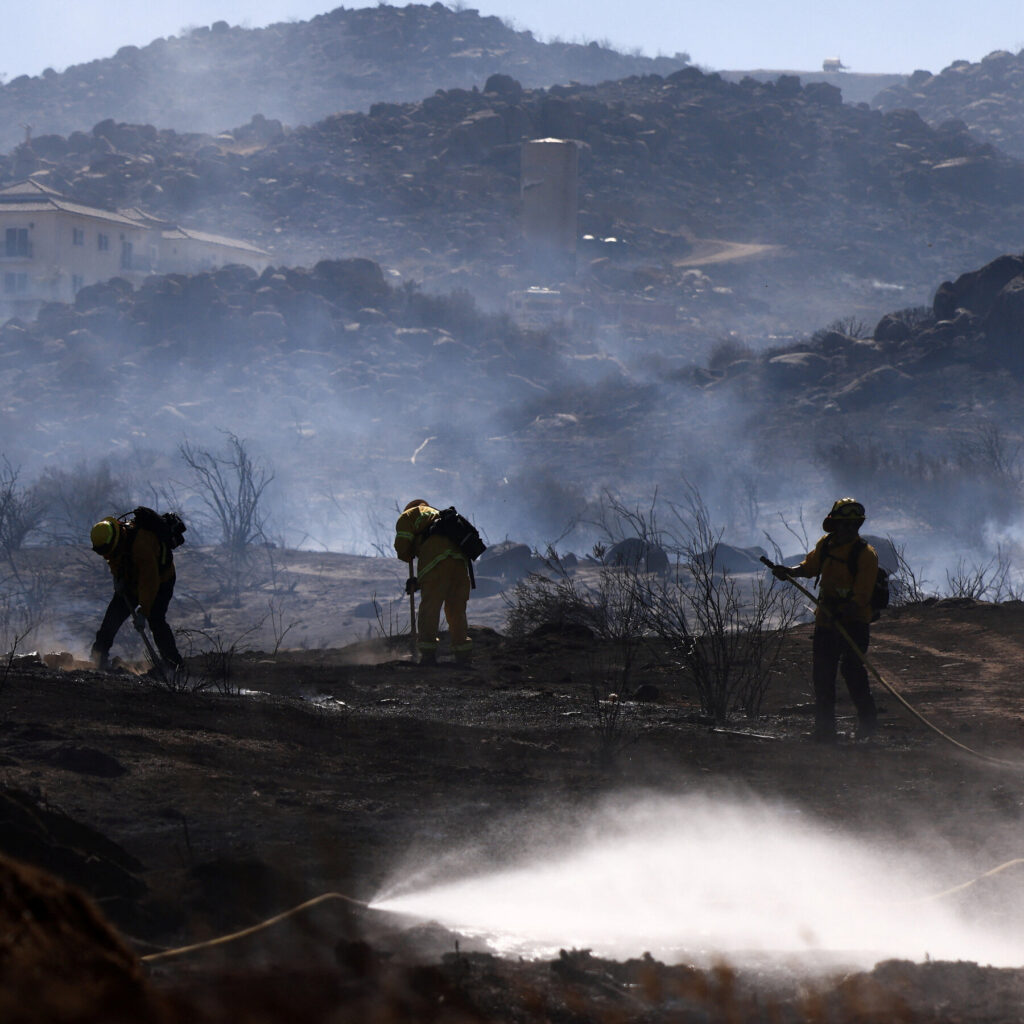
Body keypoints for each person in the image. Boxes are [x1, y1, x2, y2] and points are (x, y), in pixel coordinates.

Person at [772, 498, 879, 742]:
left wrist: (842, 613)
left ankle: (868, 727)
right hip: (826, 623)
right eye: (845, 524)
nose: (849, 529)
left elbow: (862, 595)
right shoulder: (827, 544)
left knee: (853, 672)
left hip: (854, 624)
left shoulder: (866, 555)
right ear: (835, 524)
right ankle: (825, 730)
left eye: (854, 525)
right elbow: (809, 567)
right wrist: (788, 572)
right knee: (823, 675)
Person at [89, 514, 183, 672]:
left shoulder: (142, 546)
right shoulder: (115, 542)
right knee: (111, 620)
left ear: (117, 539)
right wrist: (117, 579)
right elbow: (113, 559)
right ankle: (98, 660)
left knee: (156, 620)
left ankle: (172, 665)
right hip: (131, 582)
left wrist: (143, 613)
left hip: (160, 582)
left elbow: (149, 583)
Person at [394, 499, 472, 665]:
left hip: (435, 560)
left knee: (430, 607)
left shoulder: (409, 515)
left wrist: (407, 554)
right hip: (460, 562)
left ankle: (428, 654)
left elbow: (402, 548)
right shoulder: (440, 516)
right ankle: (462, 655)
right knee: (456, 610)